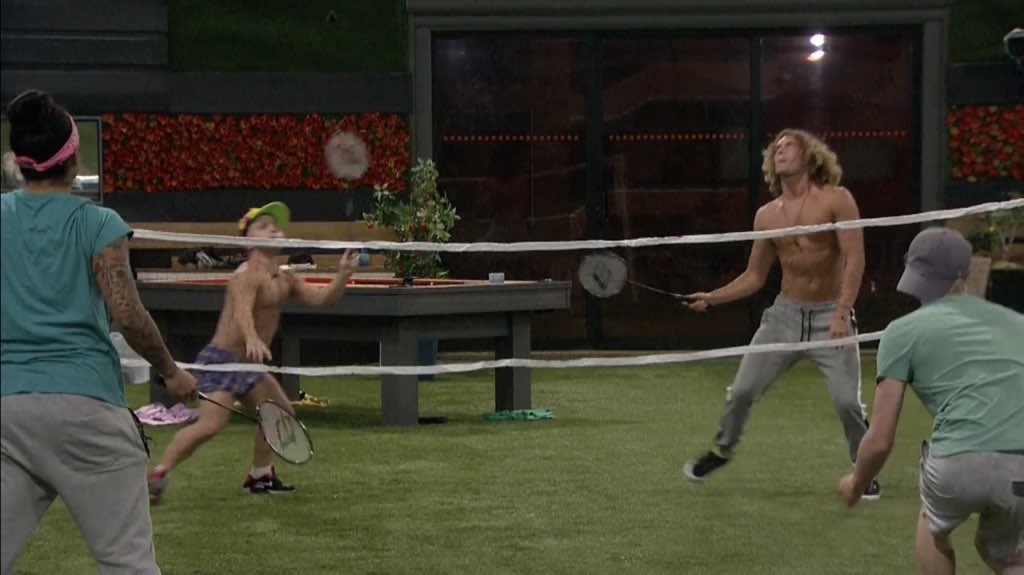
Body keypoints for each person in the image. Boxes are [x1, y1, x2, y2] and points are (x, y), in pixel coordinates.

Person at [1, 89, 197, 573]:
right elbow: (127, 315)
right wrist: (171, 372)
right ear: (72, 161)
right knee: (129, 564)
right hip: (87, 410)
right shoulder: (99, 223)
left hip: (8, 412)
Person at [681, 128, 880, 499]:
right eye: (776, 148)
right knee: (741, 391)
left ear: (809, 156)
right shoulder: (766, 216)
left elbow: (855, 259)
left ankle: (864, 468)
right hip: (784, 317)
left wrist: (842, 312)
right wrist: (712, 298)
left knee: (848, 403)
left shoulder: (836, 199)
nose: (780, 151)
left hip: (829, 315)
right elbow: (754, 276)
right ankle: (722, 450)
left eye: (789, 146)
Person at [839, 227, 1023, 575]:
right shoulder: (1018, 323)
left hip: (958, 463)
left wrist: (856, 484)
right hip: (1021, 467)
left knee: (933, 525)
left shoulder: (901, 332)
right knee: (1005, 552)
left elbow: (880, 440)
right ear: (965, 274)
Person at [147, 202, 359, 502]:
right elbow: (242, 311)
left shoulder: (287, 277)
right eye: (263, 226)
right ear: (248, 240)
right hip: (223, 361)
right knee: (210, 426)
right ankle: (158, 474)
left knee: (281, 414)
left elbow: (321, 299)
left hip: (251, 364)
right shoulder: (245, 274)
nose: (273, 229)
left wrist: (342, 275)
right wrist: (251, 338)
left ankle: (260, 475)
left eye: (275, 225)